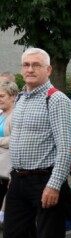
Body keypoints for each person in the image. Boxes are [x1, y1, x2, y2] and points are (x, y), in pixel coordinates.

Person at [4, 48, 71, 238]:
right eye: (26, 65)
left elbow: (66, 146)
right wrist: (15, 172)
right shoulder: (22, 98)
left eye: (36, 65)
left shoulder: (56, 100)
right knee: (12, 235)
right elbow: (20, 139)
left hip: (46, 180)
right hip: (19, 179)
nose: (30, 69)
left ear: (47, 70)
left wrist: (54, 184)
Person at [0, 81, 17, 229]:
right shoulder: (0, 113)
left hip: (8, 163)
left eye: (2, 96)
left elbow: (17, 139)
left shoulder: (16, 115)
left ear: (12, 96)